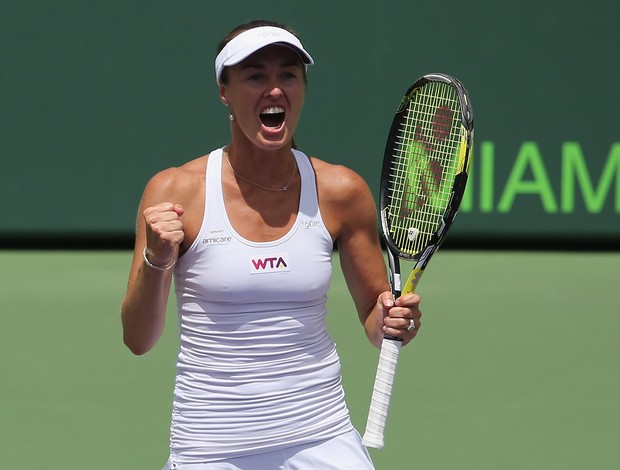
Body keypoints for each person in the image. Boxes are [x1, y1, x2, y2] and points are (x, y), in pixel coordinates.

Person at [121, 19, 422, 470]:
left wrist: (394, 319)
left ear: (302, 86)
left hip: (321, 433)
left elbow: (375, 319)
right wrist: (157, 260)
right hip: (210, 444)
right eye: (255, 76)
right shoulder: (175, 192)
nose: (275, 89)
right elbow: (138, 340)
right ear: (225, 91)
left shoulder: (340, 190)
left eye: (288, 74)